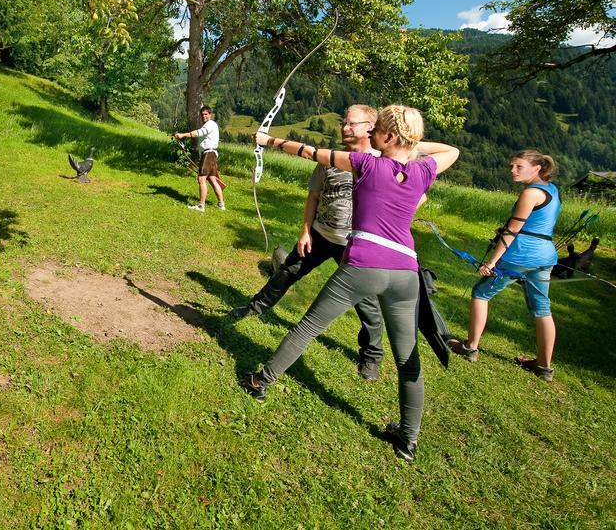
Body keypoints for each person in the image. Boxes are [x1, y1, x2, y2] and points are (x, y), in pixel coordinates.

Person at [242, 105, 460, 463]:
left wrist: (269, 141)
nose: (370, 137)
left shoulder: (368, 164)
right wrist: (411, 145)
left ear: (388, 137)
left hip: (364, 263)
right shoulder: (422, 170)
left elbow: (308, 152)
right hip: (406, 272)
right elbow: (452, 151)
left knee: (310, 326)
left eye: (377, 133)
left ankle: (260, 381)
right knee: (407, 359)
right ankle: (408, 441)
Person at [232, 105, 387, 382]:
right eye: (343, 122)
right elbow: (313, 197)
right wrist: (305, 231)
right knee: (287, 272)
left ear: (370, 128)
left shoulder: (381, 163)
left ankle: (371, 355)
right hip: (319, 234)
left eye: (351, 124)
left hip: (355, 247)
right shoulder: (330, 158)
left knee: (367, 303)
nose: (344, 127)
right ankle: (255, 307)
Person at [450, 150, 560, 382]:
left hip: (520, 256)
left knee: (481, 293)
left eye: (519, 166)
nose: (512, 170)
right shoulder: (552, 189)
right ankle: (543, 367)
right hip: (545, 255)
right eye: (512, 166)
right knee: (542, 308)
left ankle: (470, 347)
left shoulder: (530, 193)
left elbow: (513, 230)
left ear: (537, 168)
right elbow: (534, 224)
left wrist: (491, 262)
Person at [175, 106, 225, 211]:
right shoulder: (209, 125)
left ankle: (201, 205)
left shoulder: (210, 124)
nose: (204, 116)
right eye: (202, 115)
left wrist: (183, 135)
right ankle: (221, 205)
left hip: (208, 154)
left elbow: (198, 133)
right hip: (210, 154)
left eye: (206, 114)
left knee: (201, 179)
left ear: (210, 115)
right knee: (212, 179)